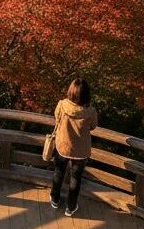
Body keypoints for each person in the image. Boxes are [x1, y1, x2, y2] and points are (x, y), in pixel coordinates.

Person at [48, 78, 98, 217]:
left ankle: (55, 199)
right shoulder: (90, 111)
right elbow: (93, 126)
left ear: (71, 91)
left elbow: (57, 118)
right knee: (76, 178)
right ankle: (71, 206)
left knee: (59, 172)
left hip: (63, 146)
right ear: (86, 94)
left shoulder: (62, 105)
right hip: (81, 150)